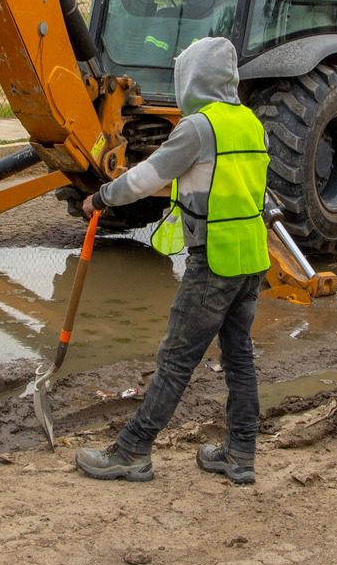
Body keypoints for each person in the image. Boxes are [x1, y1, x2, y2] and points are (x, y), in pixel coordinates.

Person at [74, 35, 269, 485]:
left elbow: (146, 177)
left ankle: (131, 451)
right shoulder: (249, 123)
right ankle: (240, 455)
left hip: (214, 261)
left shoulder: (199, 128)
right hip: (250, 258)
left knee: (176, 360)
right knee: (239, 359)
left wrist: (102, 197)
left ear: (193, 78)